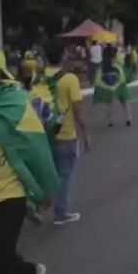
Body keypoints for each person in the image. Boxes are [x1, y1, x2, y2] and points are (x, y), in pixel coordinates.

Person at [0, 50, 60, 274]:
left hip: (8, 195)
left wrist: (46, 189)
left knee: (0, 265)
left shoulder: (16, 104)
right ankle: (27, 272)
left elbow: (37, 148)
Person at [42, 43, 91, 225]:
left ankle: (43, 202)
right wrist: (86, 134)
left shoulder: (39, 78)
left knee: (49, 171)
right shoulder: (70, 79)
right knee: (64, 174)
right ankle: (60, 213)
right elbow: (78, 111)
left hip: (44, 134)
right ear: (63, 55)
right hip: (65, 134)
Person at [94, 44, 133, 128]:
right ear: (114, 54)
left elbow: (98, 79)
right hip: (120, 85)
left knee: (108, 104)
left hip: (107, 87)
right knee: (124, 102)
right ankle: (129, 118)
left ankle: (109, 122)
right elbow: (126, 69)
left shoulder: (102, 66)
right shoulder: (118, 63)